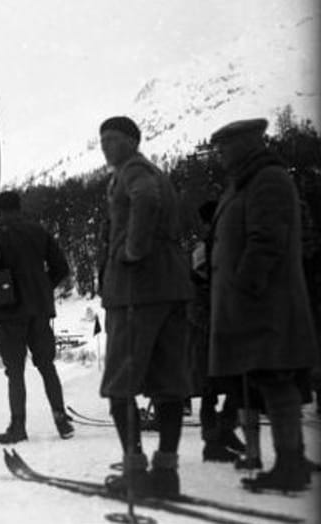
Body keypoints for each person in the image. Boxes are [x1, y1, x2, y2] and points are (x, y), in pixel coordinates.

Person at [207, 118, 320, 492]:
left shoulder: (267, 179)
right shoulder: (245, 182)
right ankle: (291, 459)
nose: (219, 154)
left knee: (276, 379)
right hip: (255, 303)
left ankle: (290, 464)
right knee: (269, 381)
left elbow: (266, 240)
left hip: (265, 303)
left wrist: (243, 288)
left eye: (225, 146)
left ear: (246, 144)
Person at [97, 116, 194, 499]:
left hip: (137, 291)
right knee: (169, 385)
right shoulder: (156, 170)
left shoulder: (133, 170)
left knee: (121, 383)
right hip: (171, 286)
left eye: (114, 139)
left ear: (133, 141)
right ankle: (166, 473)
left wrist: (132, 250)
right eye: (102, 140)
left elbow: (146, 198)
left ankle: (135, 472)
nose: (106, 146)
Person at [0, 191, 74, 444]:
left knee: (15, 372)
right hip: (39, 310)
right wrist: (42, 288)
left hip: (9, 313)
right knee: (47, 366)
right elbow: (61, 267)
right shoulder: (38, 231)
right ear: (19, 207)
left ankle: (18, 426)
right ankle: (61, 419)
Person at [186, 200, 245, 463]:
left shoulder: (218, 243)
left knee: (237, 385)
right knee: (211, 389)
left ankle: (223, 430)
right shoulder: (204, 248)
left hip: (220, 321)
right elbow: (197, 287)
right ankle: (213, 440)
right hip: (207, 325)